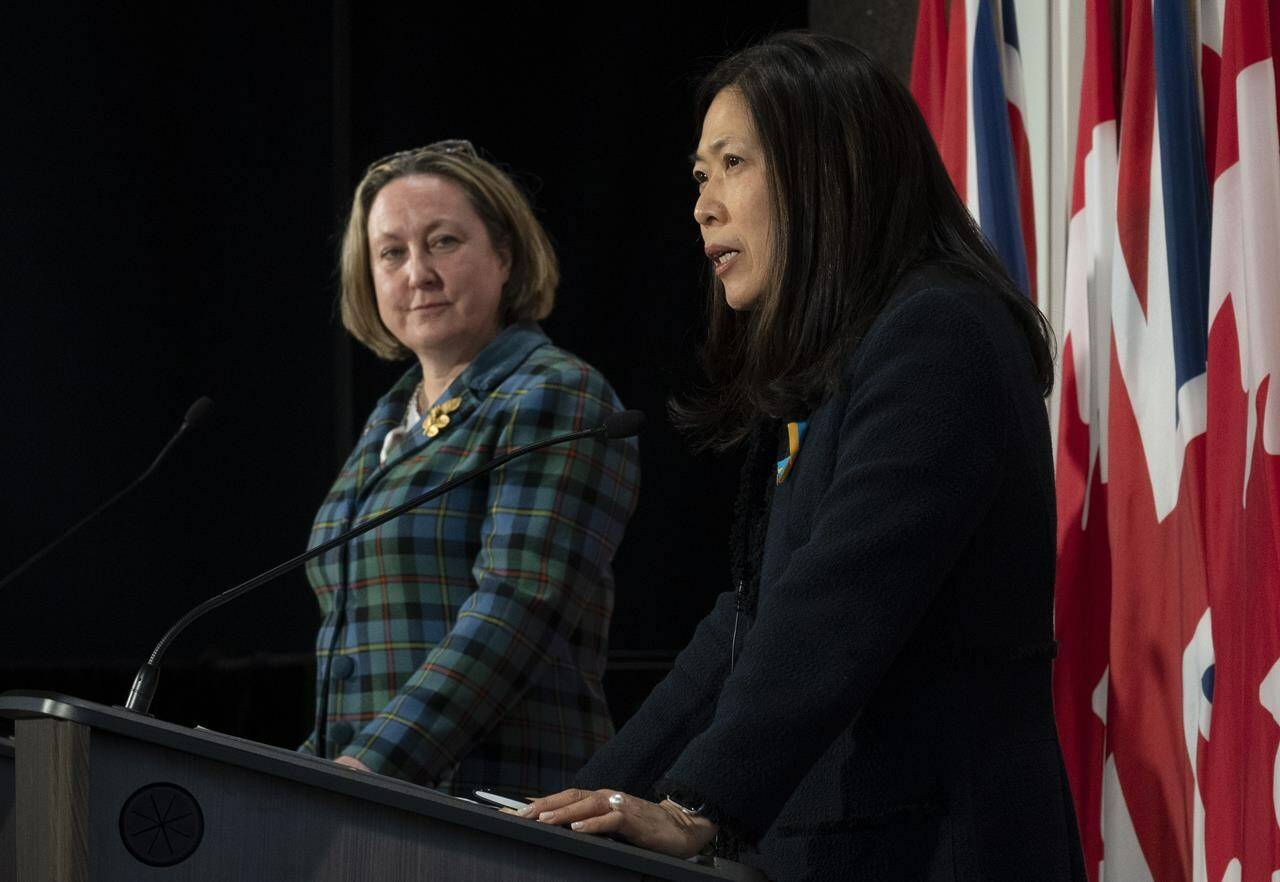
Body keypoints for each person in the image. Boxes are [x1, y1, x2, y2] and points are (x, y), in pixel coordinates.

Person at [521, 33, 1086, 881]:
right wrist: (580, 804)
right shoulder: (837, 366)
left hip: (939, 849)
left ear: (831, 168)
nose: (703, 205)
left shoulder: (941, 335)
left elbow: (845, 594)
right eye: (698, 176)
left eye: (732, 163)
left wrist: (697, 804)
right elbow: (748, 621)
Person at [300, 140, 640, 800]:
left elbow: (516, 606)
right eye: (391, 252)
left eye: (444, 241)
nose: (417, 272)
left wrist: (368, 770)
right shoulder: (388, 421)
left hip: (503, 811)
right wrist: (290, 779)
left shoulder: (555, 395)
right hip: (376, 812)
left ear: (505, 256)